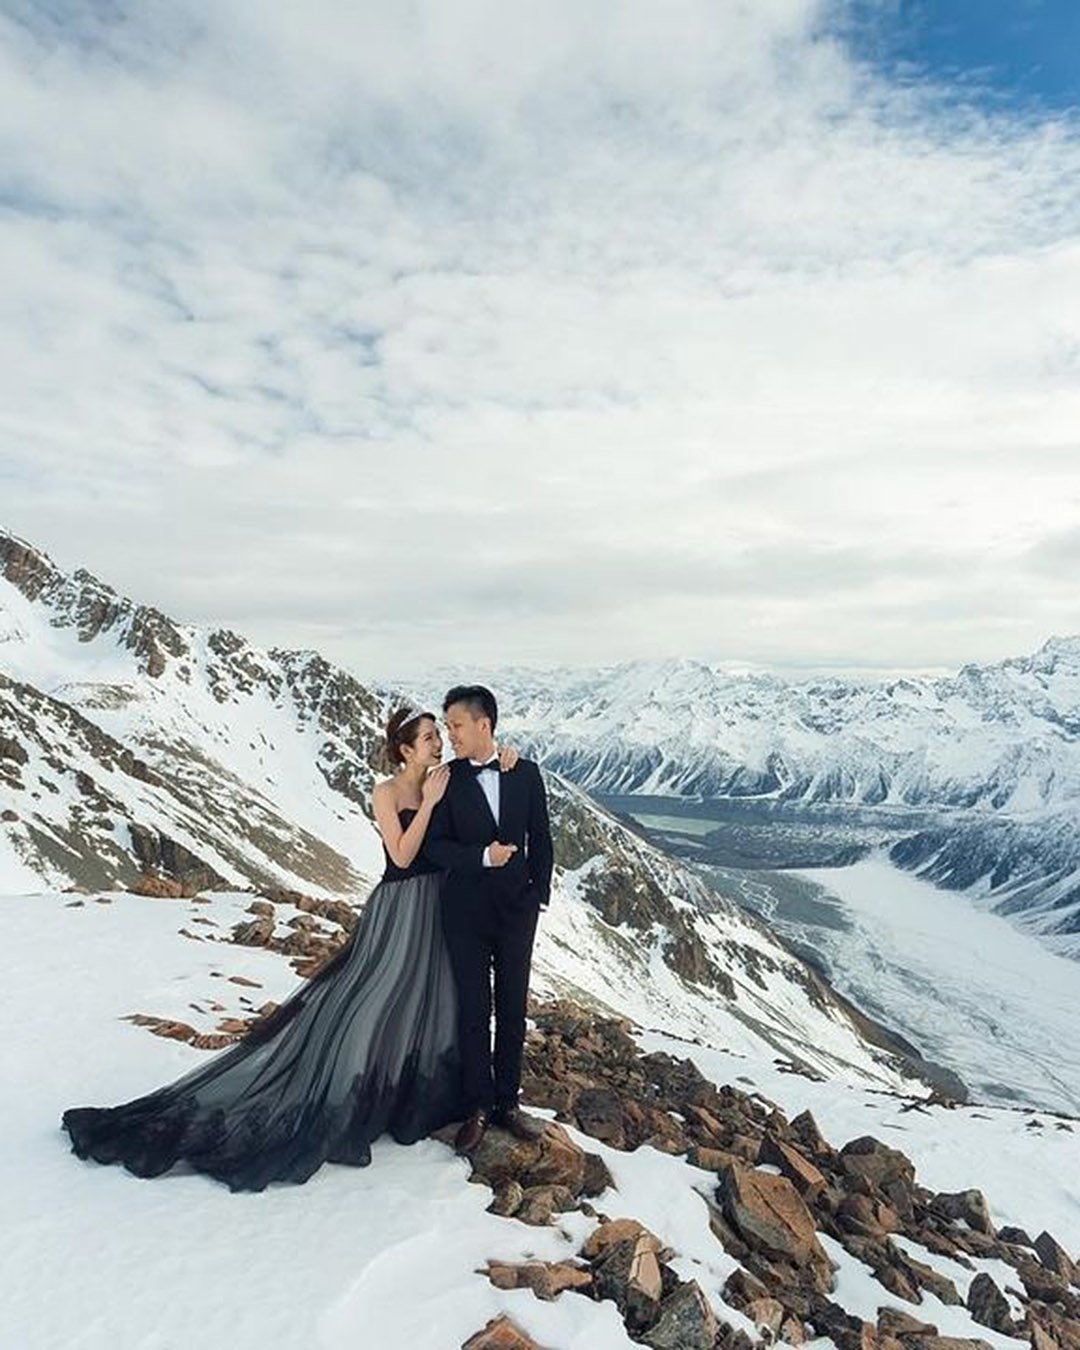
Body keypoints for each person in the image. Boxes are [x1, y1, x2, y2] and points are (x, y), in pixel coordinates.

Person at [60, 708, 517, 1192]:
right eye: (429, 738)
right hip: (402, 907)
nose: (439, 743)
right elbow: (401, 854)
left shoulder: (448, 778)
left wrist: (506, 757)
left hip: (441, 906)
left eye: (439, 736)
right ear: (406, 749)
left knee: (432, 1003)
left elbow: (485, 791)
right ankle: (345, 1098)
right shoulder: (389, 792)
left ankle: (415, 1100)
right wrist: (428, 803)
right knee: (367, 1002)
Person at [423, 685, 553, 1154]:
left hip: (518, 912)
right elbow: (435, 847)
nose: (450, 735)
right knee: (474, 1010)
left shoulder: (526, 774)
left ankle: (508, 1103)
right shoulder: (445, 779)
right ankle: (477, 1105)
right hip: (464, 912)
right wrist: (482, 856)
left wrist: (538, 895)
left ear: (484, 725)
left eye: (456, 726)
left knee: (514, 1009)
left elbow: (542, 839)